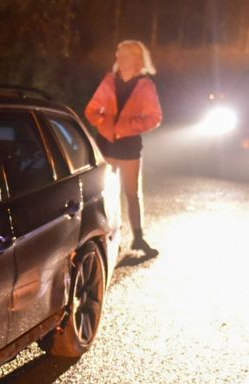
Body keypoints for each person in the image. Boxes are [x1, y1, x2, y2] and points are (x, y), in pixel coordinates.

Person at [85, 40, 163, 256]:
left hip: (129, 146)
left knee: (131, 193)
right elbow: (91, 110)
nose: (119, 58)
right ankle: (109, 236)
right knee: (106, 191)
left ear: (136, 59)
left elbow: (155, 117)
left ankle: (138, 238)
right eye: (118, 54)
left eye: (124, 55)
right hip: (106, 144)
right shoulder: (109, 81)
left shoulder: (145, 85)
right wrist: (104, 123)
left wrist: (127, 126)